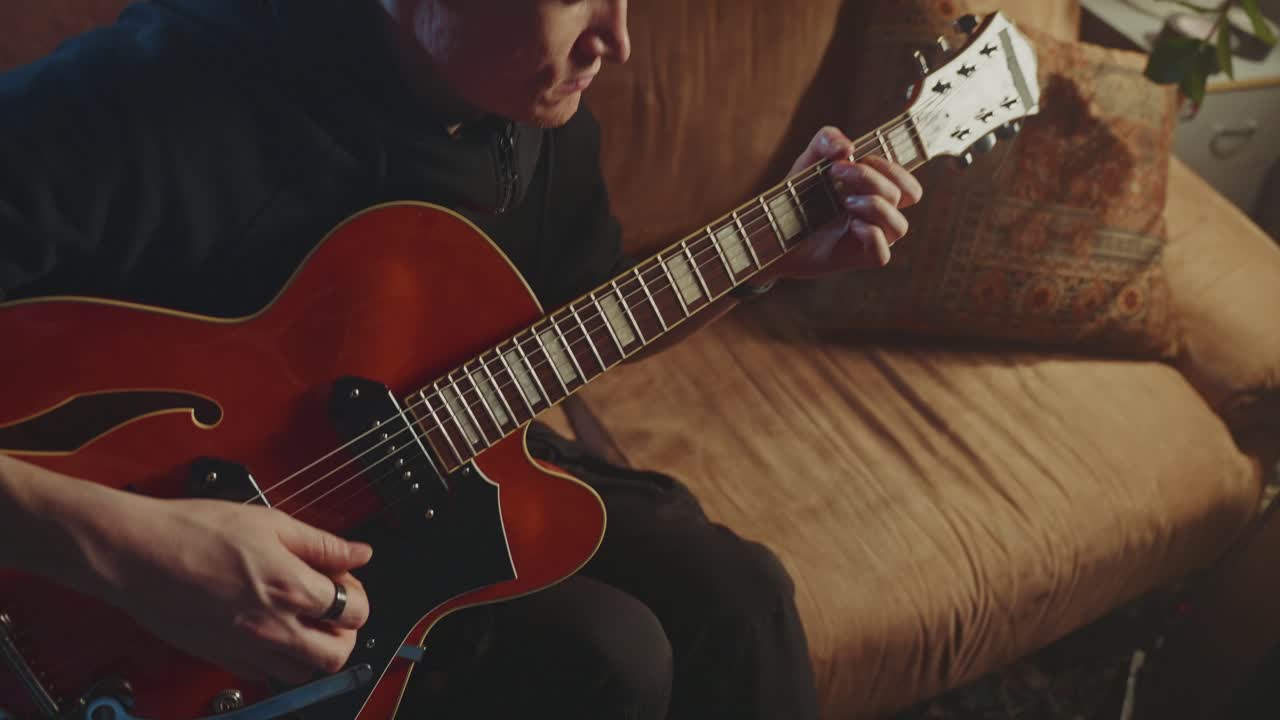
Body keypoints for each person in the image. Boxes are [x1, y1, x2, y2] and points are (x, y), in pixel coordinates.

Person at [0, 0, 922, 717]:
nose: (619, 39)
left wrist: (767, 261)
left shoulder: (542, 114)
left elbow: (577, 316)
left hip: (426, 480)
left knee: (742, 602)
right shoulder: (148, 96)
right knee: (608, 657)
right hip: (104, 603)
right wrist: (127, 551)